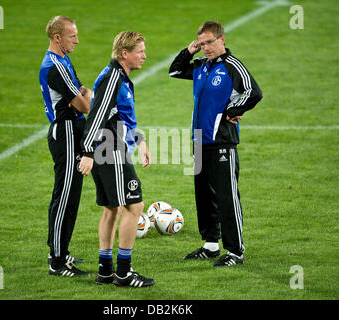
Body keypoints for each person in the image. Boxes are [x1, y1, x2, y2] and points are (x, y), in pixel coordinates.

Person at [169, 21, 262, 267]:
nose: (206, 48)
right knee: (203, 195)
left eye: (210, 42)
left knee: (227, 197)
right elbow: (175, 71)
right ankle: (210, 245)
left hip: (222, 142)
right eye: (202, 43)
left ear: (222, 40)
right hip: (199, 141)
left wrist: (234, 109)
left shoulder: (233, 66)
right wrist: (189, 52)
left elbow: (254, 92)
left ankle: (235, 252)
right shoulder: (200, 66)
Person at [78, 31, 155, 287]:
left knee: (112, 208)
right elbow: (97, 115)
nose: (144, 56)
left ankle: (105, 270)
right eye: (140, 51)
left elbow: (118, 116)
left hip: (109, 149)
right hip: (110, 151)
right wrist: (88, 152)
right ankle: (124, 273)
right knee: (135, 207)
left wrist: (140, 140)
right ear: (125, 54)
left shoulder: (118, 76)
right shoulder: (113, 77)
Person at [39, 16, 92, 277]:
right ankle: (57, 260)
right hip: (66, 132)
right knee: (64, 197)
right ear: (57, 37)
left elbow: (80, 91)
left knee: (71, 195)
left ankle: (62, 250)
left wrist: (82, 96)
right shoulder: (55, 66)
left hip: (73, 129)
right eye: (73, 36)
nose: (77, 40)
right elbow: (84, 103)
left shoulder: (63, 61)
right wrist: (85, 97)